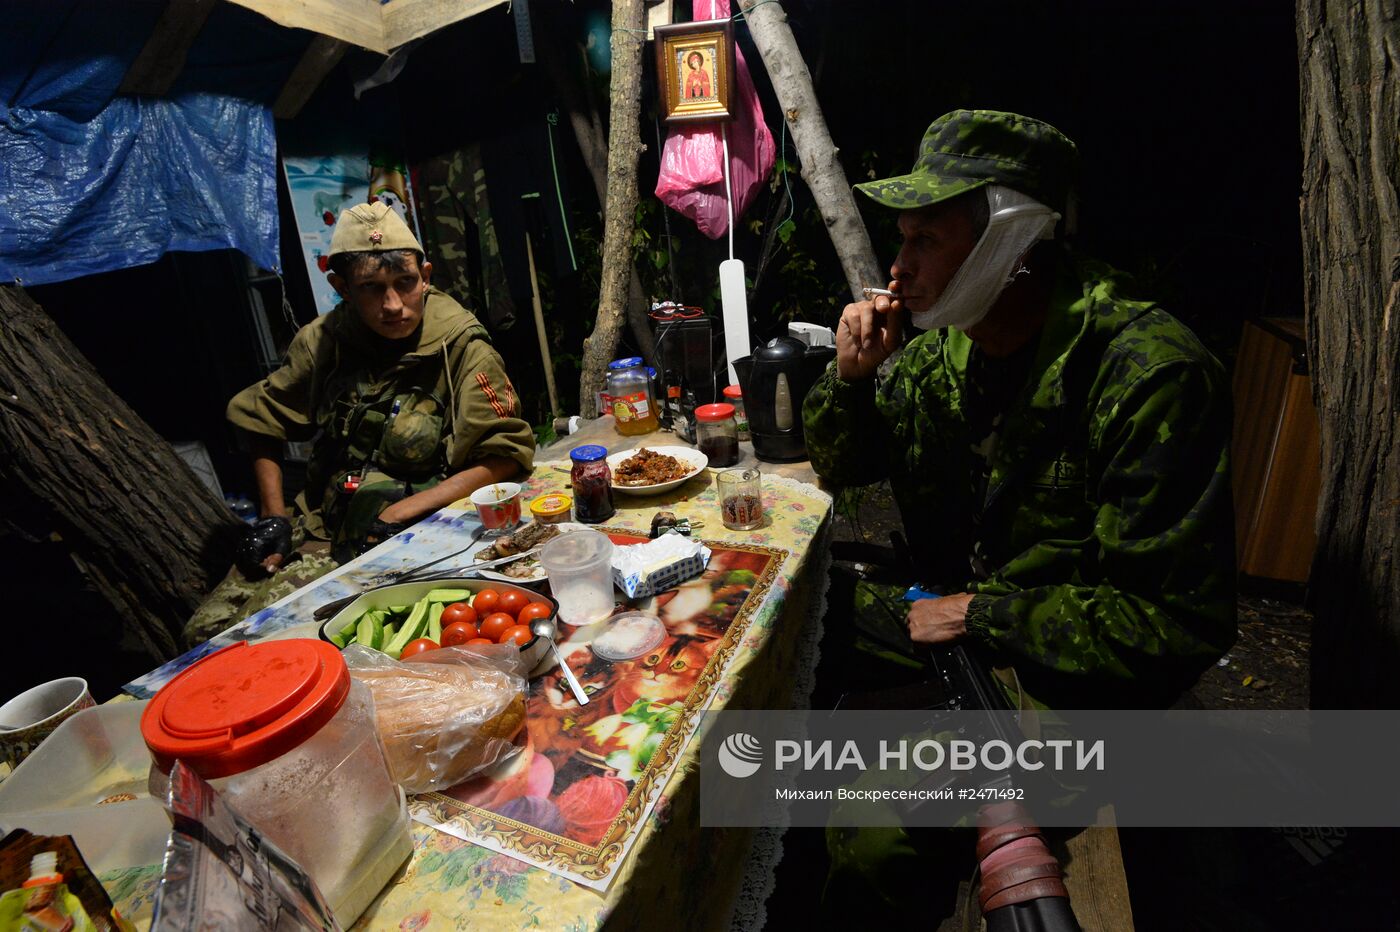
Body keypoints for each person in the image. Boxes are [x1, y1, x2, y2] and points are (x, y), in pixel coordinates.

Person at [803, 107, 1237, 923]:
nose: (898, 268)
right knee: (789, 618)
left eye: (925, 240)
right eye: (902, 239)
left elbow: (1176, 623)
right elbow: (845, 463)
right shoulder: (946, 349)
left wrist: (982, 613)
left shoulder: (1149, 373)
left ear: (1010, 240)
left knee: (869, 829)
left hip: (1064, 680)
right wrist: (852, 378)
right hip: (946, 616)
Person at [184, 202, 534, 646]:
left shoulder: (460, 346)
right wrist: (274, 518)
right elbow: (261, 417)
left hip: (414, 534)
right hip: (324, 525)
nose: (393, 305)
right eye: (371, 288)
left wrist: (404, 510)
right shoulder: (324, 341)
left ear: (425, 276)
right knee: (203, 635)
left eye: (405, 283)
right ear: (342, 287)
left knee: (263, 646)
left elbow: (505, 455)